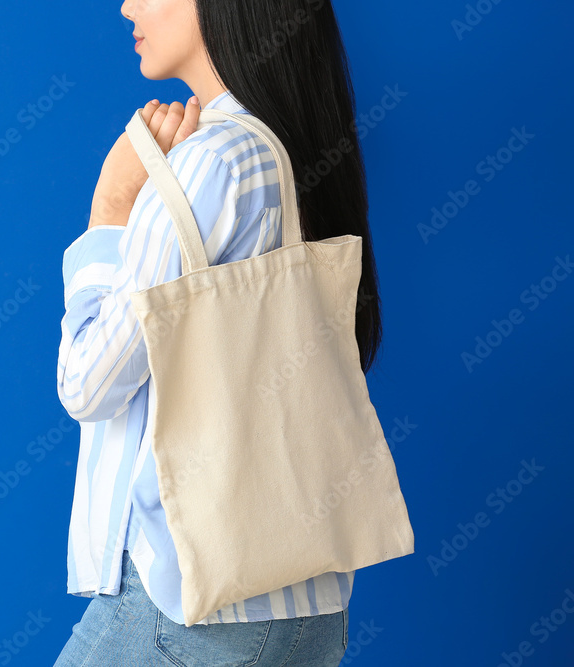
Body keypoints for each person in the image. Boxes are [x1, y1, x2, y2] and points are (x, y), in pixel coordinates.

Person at [54, 0, 383, 664]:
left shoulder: (213, 163)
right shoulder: (287, 148)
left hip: (190, 606)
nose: (126, 6)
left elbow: (88, 383)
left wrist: (112, 205)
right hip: (303, 602)